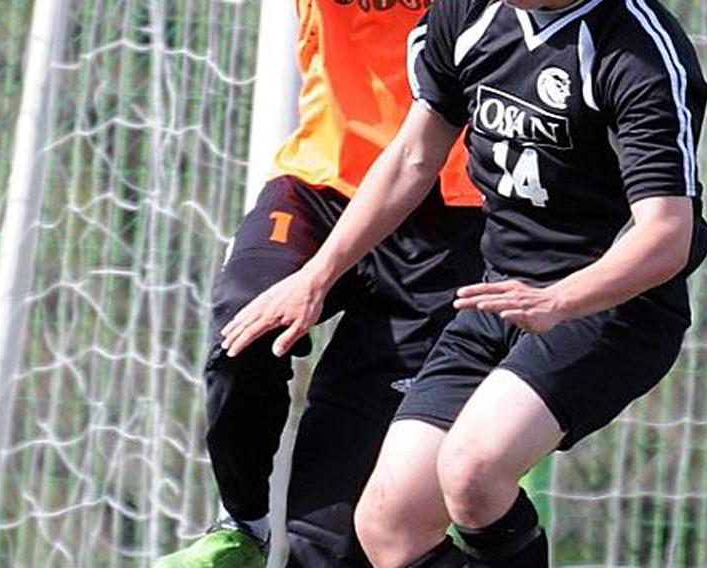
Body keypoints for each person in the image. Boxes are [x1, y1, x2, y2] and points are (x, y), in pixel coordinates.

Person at [219, 0, 707, 565]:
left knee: (472, 471)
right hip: (498, 296)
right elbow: (411, 158)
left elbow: (667, 234)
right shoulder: (466, 15)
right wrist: (316, 275)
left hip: (611, 308)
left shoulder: (639, 50)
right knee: (389, 524)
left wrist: (561, 298)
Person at [153, 1, 484, 567]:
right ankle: (242, 525)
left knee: (328, 539)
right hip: (323, 180)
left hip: (448, 212)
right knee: (244, 331)